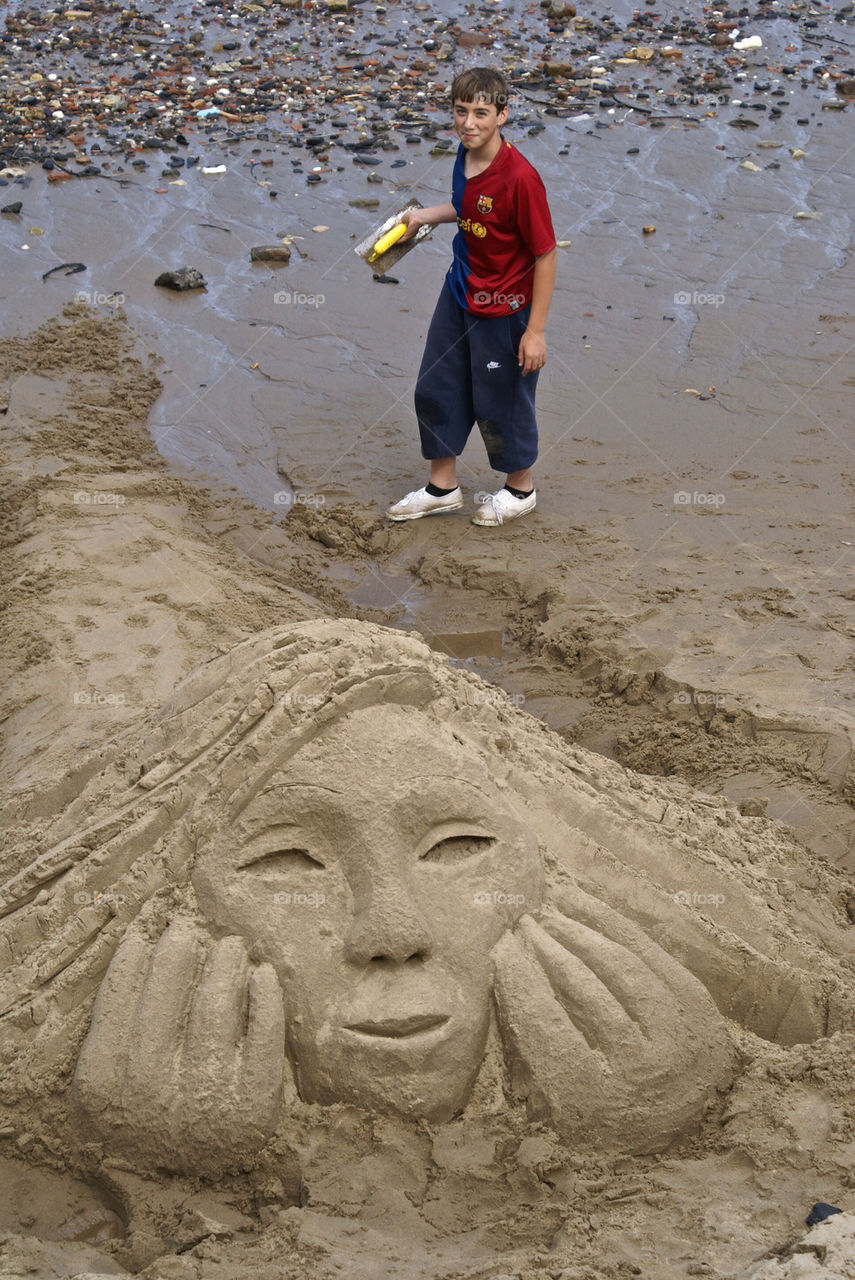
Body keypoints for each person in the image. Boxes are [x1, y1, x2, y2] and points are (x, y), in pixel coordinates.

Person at [386, 67, 558, 527]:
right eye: (461, 112)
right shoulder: (463, 158)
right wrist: (424, 216)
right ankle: (442, 487)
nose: (469, 123)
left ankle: (521, 489)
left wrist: (536, 332)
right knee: (435, 384)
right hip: (460, 288)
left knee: (501, 397)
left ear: (502, 115)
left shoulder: (521, 178)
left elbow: (545, 254)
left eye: (481, 113)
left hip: (506, 306)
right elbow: (468, 209)